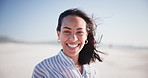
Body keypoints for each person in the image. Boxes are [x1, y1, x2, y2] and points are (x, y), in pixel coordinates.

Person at [32, 8, 102, 78]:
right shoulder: (43, 69)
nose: (73, 39)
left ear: (86, 35)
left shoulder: (93, 72)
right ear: (58, 34)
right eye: (67, 31)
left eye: (79, 32)